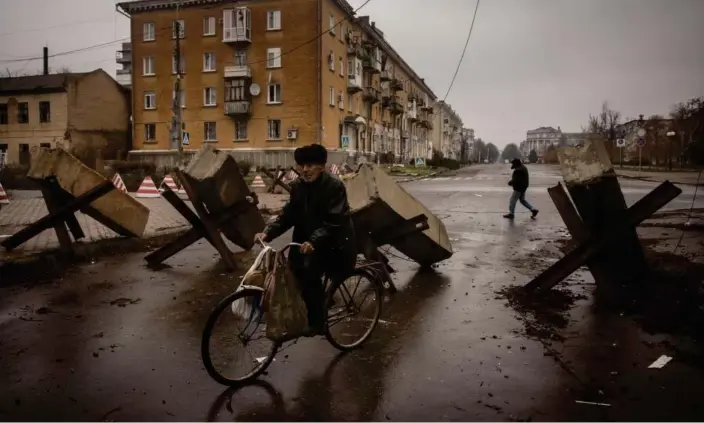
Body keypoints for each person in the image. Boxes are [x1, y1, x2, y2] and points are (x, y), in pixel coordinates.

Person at [254, 144, 357, 335]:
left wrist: (314, 242)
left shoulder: (334, 187)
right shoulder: (298, 187)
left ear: (322, 166)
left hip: (334, 243)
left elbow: (334, 221)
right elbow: (288, 215)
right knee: (292, 273)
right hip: (305, 242)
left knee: (310, 274)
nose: (305, 170)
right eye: (302, 165)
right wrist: (268, 232)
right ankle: (313, 305)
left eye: (310, 165)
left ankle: (318, 323)